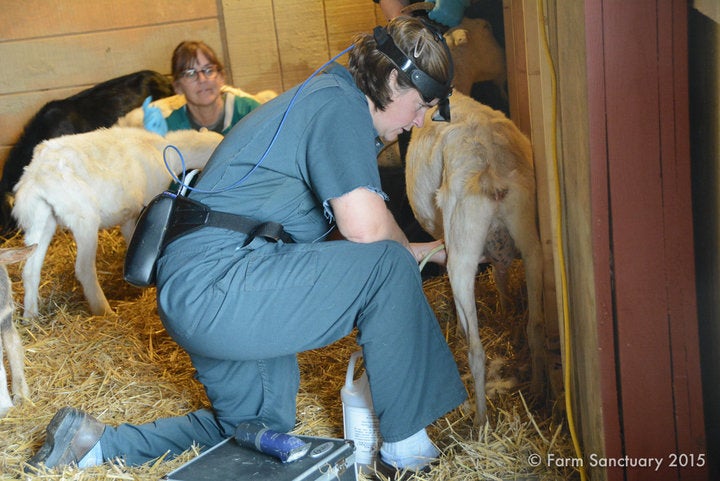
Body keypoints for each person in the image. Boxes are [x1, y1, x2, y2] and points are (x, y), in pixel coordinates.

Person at [26, 16, 467, 480]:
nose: (419, 121)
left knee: (256, 429)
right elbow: (367, 233)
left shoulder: (322, 98)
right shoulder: (341, 106)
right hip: (221, 282)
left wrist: (433, 250)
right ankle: (407, 455)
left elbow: (342, 244)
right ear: (395, 80)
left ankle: (94, 446)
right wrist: (423, 253)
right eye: (422, 105)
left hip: (211, 284)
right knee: (388, 263)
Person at [144, 40, 261, 136]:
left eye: (208, 70)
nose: (202, 79)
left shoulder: (250, 112)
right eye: (190, 74)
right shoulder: (172, 127)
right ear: (178, 87)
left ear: (221, 78)